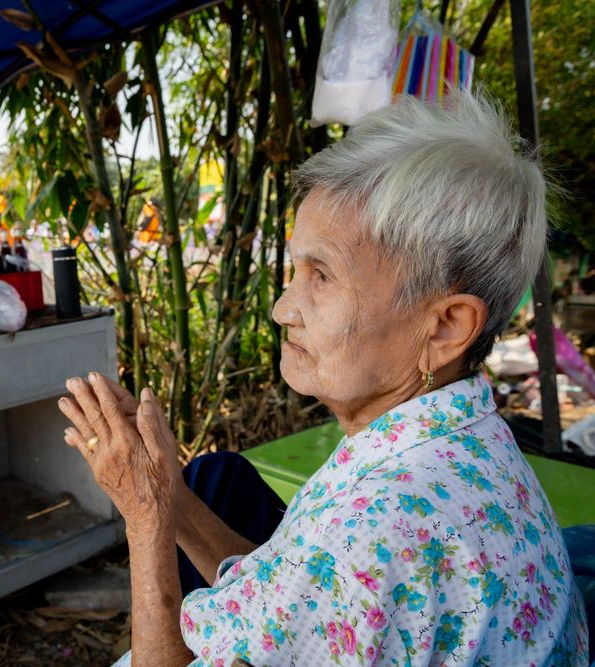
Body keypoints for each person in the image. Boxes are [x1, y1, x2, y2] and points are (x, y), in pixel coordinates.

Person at [59, 93, 589, 666]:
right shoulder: (465, 436)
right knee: (218, 476)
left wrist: (144, 516)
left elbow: (338, 574)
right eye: (296, 269)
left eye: (323, 276)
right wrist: (168, 495)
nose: (283, 308)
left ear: (446, 326)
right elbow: (283, 601)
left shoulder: (373, 533)